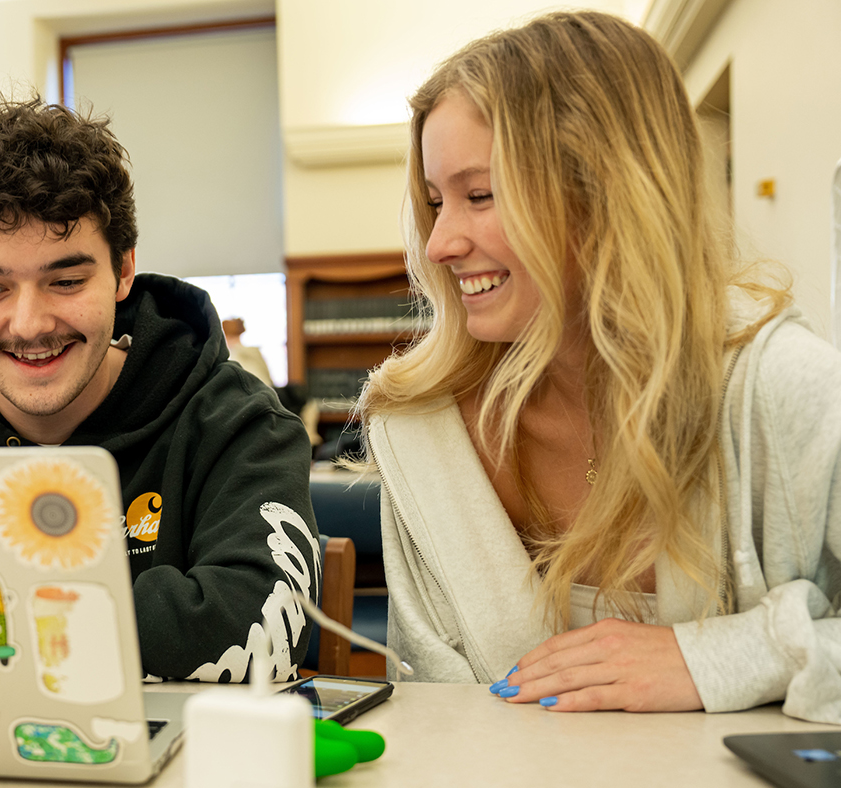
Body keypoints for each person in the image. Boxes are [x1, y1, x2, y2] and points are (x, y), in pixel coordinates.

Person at [358, 10, 841, 722]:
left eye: (480, 195)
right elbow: (440, 719)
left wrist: (715, 658)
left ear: (611, 188)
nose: (440, 244)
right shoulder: (422, 432)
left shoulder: (779, 386)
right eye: (435, 203)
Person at [0, 94, 319, 682]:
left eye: (66, 280)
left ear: (123, 270)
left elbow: (253, 630)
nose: (30, 325)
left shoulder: (240, 427)